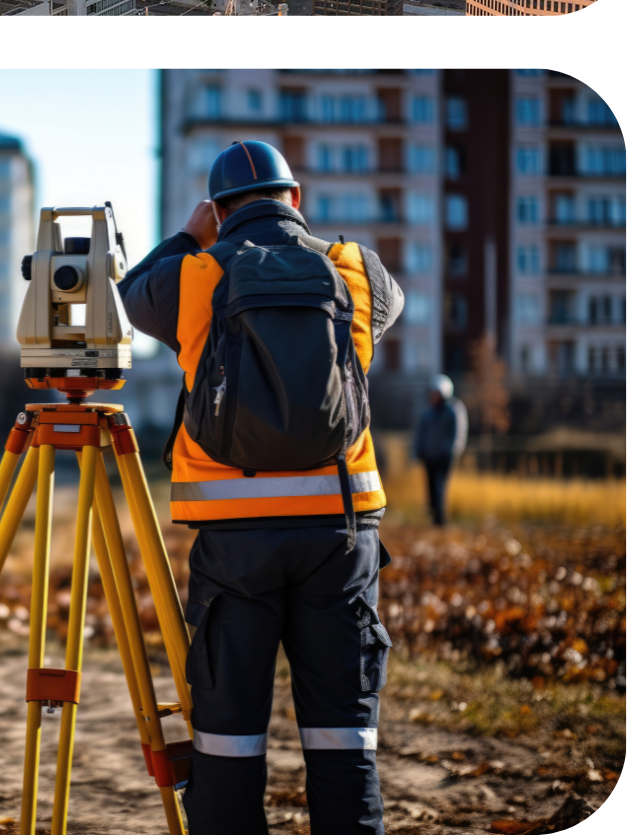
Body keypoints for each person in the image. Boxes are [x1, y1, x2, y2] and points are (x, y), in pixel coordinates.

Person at [118, 140, 404, 835]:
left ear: (218, 211)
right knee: (344, 739)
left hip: (234, 542)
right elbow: (390, 306)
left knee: (227, 742)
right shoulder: (354, 271)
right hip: (339, 537)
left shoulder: (195, 275)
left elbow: (129, 297)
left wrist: (189, 236)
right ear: (295, 198)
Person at [413, 375, 468, 527]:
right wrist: (420, 450)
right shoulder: (429, 412)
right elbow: (421, 434)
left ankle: (441, 521)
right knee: (430, 488)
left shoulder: (454, 410)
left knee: (439, 487)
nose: (432, 395)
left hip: (444, 457)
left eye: (435, 392)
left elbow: (458, 434)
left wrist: (450, 451)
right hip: (429, 456)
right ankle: (434, 518)